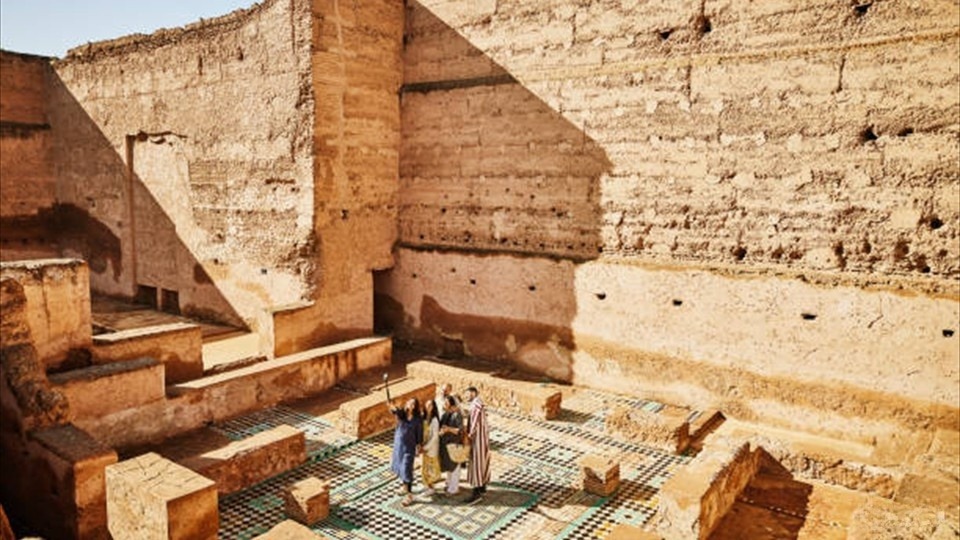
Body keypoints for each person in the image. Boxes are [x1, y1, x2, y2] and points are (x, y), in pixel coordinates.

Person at [387, 396, 423, 506]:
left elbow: (419, 433)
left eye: (413, 404)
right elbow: (394, 410)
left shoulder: (417, 419)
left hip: (409, 447)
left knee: (407, 469)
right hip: (399, 446)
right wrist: (390, 404)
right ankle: (404, 487)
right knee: (401, 468)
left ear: (415, 407)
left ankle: (409, 495)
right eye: (409, 403)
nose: (410, 405)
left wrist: (419, 445)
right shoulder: (402, 414)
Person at [463, 386, 490, 504]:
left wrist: (469, 435)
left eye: (468, 394)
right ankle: (482, 487)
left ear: (473, 393)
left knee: (476, 464)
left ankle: (476, 493)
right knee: (482, 462)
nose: (466, 396)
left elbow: (474, 422)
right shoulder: (479, 403)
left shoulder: (475, 405)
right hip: (483, 438)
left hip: (477, 440)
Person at [437, 394, 464, 496]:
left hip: (454, 444)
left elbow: (460, 430)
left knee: (455, 466)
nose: (445, 404)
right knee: (449, 465)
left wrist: (448, 429)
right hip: (446, 444)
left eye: (447, 402)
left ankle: (454, 488)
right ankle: (449, 484)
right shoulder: (445, 415)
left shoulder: (457, 415)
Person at [421, 398, 442, 495]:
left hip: (431, 448)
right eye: (427, 405)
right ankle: (427, 486)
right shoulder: (425, 418)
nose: (428, 407)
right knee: (425, 467)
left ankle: (431, 487)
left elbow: (434, 437)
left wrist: (426, 447)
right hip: (425, 447)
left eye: (430, 405)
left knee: (431, 468)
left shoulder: (435, 420)